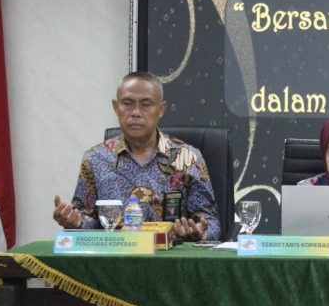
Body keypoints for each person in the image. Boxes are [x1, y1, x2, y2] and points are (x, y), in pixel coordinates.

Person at [53, 72, 220, 241]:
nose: (136, 112)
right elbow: (87, 221)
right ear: (116, 107)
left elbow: (211, 224)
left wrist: (200, 232)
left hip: (170, 254)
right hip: (115, 253)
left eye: (146, 104)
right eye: (127, 103)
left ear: (161, 109)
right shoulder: (95, 159)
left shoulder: (188, 157)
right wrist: (75, 223)